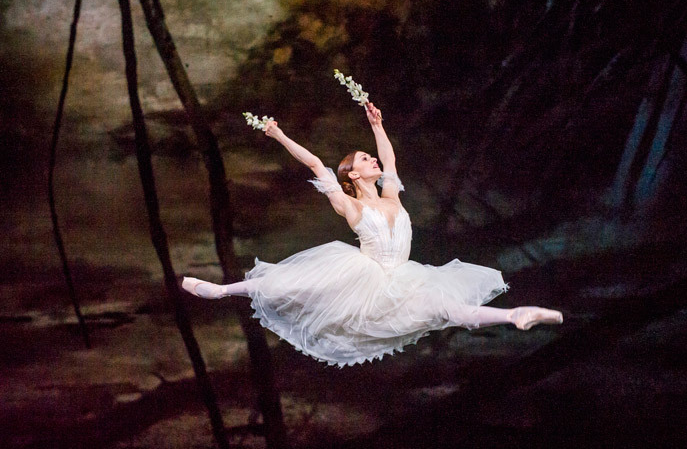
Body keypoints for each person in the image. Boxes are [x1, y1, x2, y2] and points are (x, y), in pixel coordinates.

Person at [183, 103, 563, 367]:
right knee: (288, 283)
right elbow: (316, 163)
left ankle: (514, 315)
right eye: (366, 158)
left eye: (372, 156)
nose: (374, 160)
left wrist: (377, 125)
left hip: (406, 277)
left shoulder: (391, 196)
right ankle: (221, 290)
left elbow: (392, 160)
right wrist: (279, 135)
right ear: (351, 173)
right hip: (367, 278)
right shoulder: (351, 206)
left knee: (448, 309)